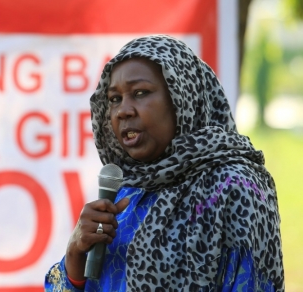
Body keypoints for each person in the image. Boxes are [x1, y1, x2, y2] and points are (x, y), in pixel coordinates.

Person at [44, 35, 284, 291]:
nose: (123, 110)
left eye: (140, 93)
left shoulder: (235, 188)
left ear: (182, 98)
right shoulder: (125, 192)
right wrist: (75, 256)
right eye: (115, 99)